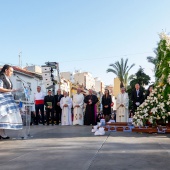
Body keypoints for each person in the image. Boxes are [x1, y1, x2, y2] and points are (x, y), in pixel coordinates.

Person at [0, 64, 22, 139]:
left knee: (6, 116)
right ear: (6, 70)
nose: (12, 73)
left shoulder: (7, 78)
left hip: (8, 98)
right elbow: (0, 88)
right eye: (11, 71)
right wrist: (12, 90)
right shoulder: (1, 77)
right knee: (3, 115)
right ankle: (1, 133)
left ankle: (2, 133)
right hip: (2, 98)